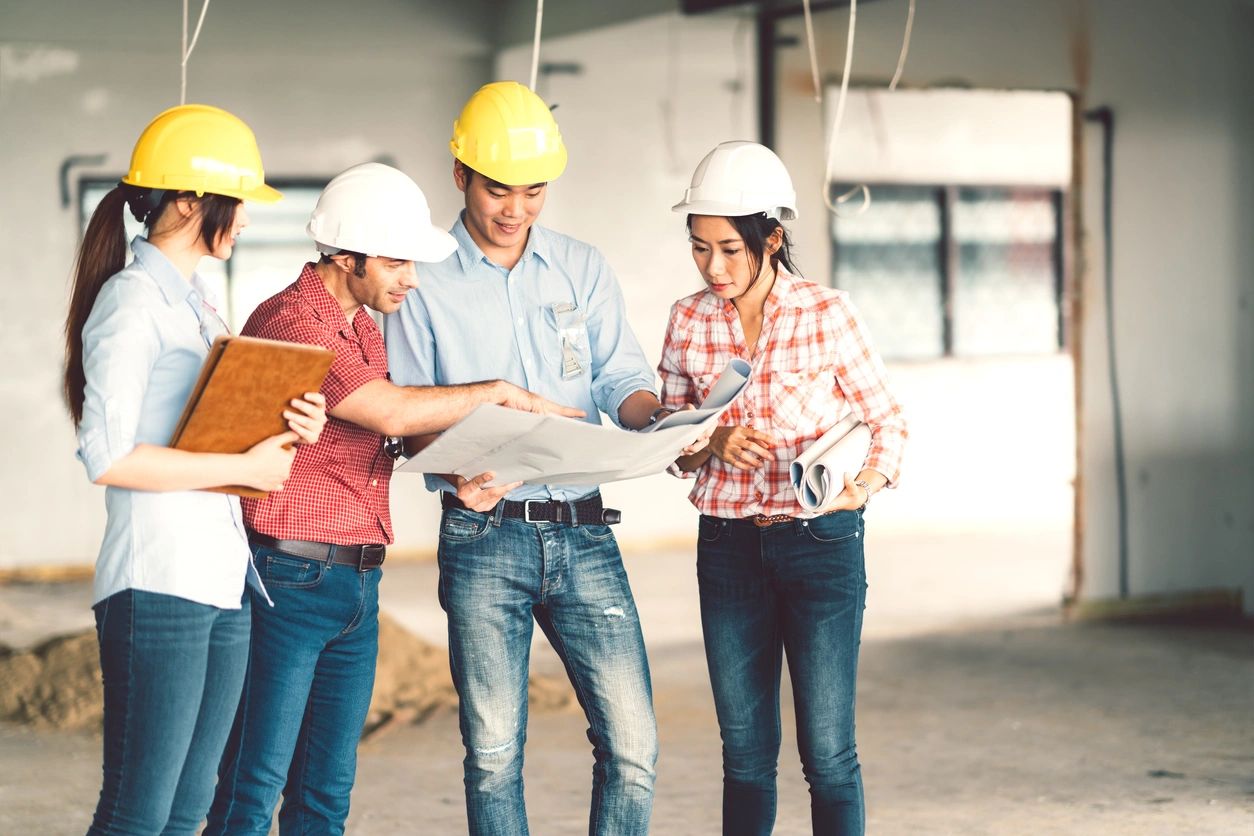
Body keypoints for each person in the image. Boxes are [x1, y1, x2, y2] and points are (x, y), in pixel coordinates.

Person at [205, 162, 581, 835]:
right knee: (253, 786)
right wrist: (497, 392)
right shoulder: (294, 319)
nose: (412, 277)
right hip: (290, 578)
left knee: (326, 793)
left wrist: (458, 465)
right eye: (398, 261)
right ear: (347, 256)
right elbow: (384, 411)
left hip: (353, 579)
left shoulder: (362, 325)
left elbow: (384, 436)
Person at [386, 81, 692, 836]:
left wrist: (659, 420)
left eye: (532, 191)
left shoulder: (581, 269)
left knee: (633, 746)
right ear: (460, 175)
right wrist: (451, 465)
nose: (514, 208)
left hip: (585, 531)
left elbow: (620, 379)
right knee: (493, 753)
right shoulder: (420, 279)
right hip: (482, 535)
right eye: (497, 189)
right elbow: (406, 412)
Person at [64, 104, 327, 835]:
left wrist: (288, 426)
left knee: (187, 812)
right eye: (236, 200)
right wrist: (241, 462)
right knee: (138, 812)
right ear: (188, 201)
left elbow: (214, 431)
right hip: (157, 580)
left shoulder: (204, 307)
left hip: (221, 575)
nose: (243, 218)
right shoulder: (130, 302)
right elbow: (108, 455)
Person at [659, 140, 908, 836]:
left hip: (821, 546)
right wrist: (708, 443)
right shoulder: (688, 320)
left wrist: (863, 486)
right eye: (700, 248)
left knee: (827, 753)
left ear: (772, 237)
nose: (714, 267)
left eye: (731, 249)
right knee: (743, 755)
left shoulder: (827, 313)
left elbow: (888, 421)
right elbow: (669, 444)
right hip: (729, 549)